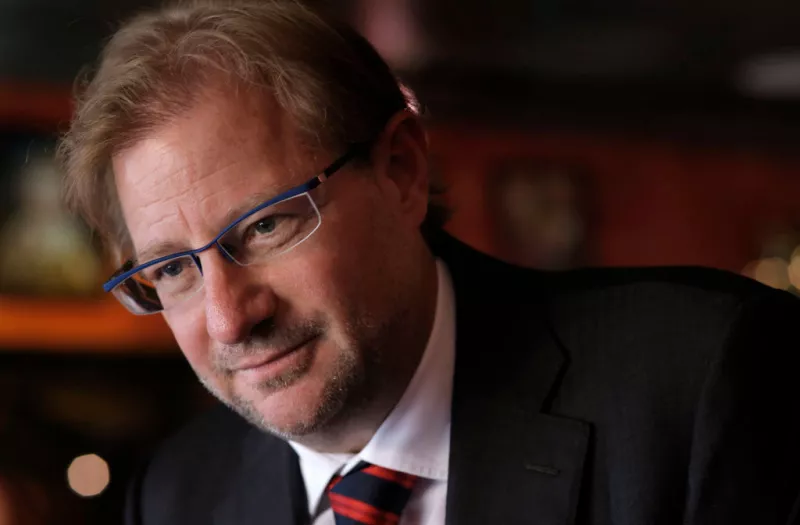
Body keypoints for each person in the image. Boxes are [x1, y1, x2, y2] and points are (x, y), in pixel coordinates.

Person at [58, 1, 800, 524]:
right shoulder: (177, 495)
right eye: (175, 271)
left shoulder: (703, 382)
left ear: (402, 171)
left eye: (265, 226)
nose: (228, 317)